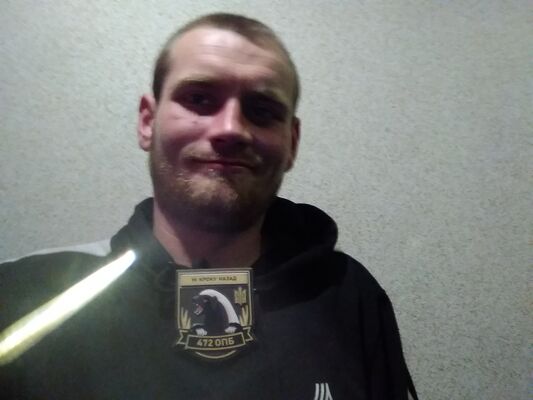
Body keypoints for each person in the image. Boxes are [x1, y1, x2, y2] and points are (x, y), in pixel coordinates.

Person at [0, 13, 417, 399]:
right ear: (147, 121)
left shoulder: (348, 294)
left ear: (292, 142)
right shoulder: (24, 295)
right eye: (199, 98)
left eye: (262, 110)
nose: (231, 128)